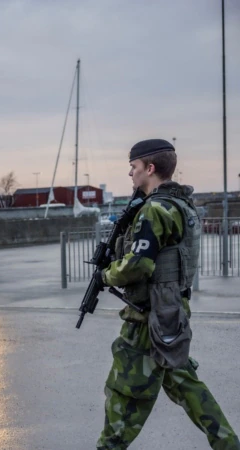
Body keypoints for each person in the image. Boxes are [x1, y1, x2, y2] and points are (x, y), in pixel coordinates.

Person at [96, 139, 239, 449]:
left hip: (149, 319)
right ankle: (227, 443)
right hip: (170, 311)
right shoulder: (180, 204)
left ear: (150, 168)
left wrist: (105, 274)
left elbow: (138, 265)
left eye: (134, 167)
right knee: (185, 385)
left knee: (123, 395)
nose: (131, 174)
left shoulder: (156, 209)